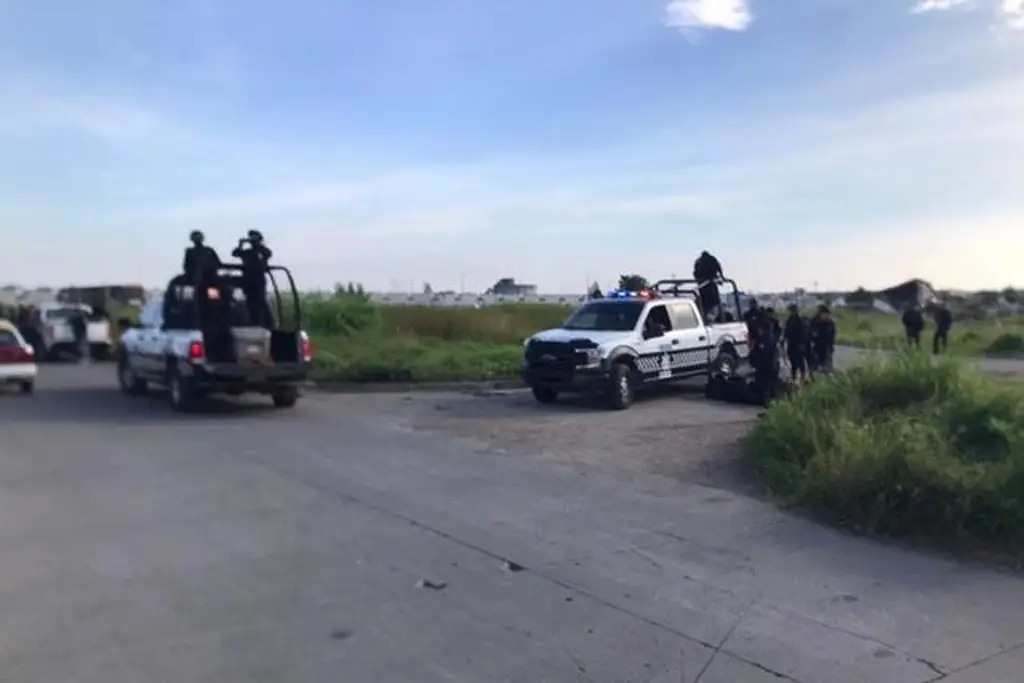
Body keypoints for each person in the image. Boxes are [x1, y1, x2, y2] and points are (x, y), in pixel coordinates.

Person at [233, 230, 273, 327]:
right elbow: (235, 253)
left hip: (258, 280)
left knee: (260, 301)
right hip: (248, 280)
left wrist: (257, 245)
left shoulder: (262, 251)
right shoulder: (247, 252)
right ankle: (253, 321)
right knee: (251, 302)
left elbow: (267, 253)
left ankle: (264, 323)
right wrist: (241, 244)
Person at [693, 251, 724, 322]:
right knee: (711, 303)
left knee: (707, 304)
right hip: (707, 283)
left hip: (704, 283)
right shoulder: (711, 259)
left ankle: (708, 318)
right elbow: (719, 267)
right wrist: (721, 276)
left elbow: (695, 273)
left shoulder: (699, 261)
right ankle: (708, 318)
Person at [783, 304, 809, 383]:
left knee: (800, 360)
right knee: (793, 361)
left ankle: (802, 376)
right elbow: (786, 331)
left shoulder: (799, 320)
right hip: (792, 343)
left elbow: (803, 333)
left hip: (798, 343)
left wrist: (802, 343)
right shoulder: (790, 319)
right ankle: (794, 376)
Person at [808, 305, 837, 375]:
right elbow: (810, 332)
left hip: (827, 346)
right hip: (817, 346)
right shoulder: (815, 321)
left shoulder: (830, 323)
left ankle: (826, 374)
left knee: (827, 364)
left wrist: (831, 346)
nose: (825, 316)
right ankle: (813, 375)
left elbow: (832, 335)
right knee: (815, 363)